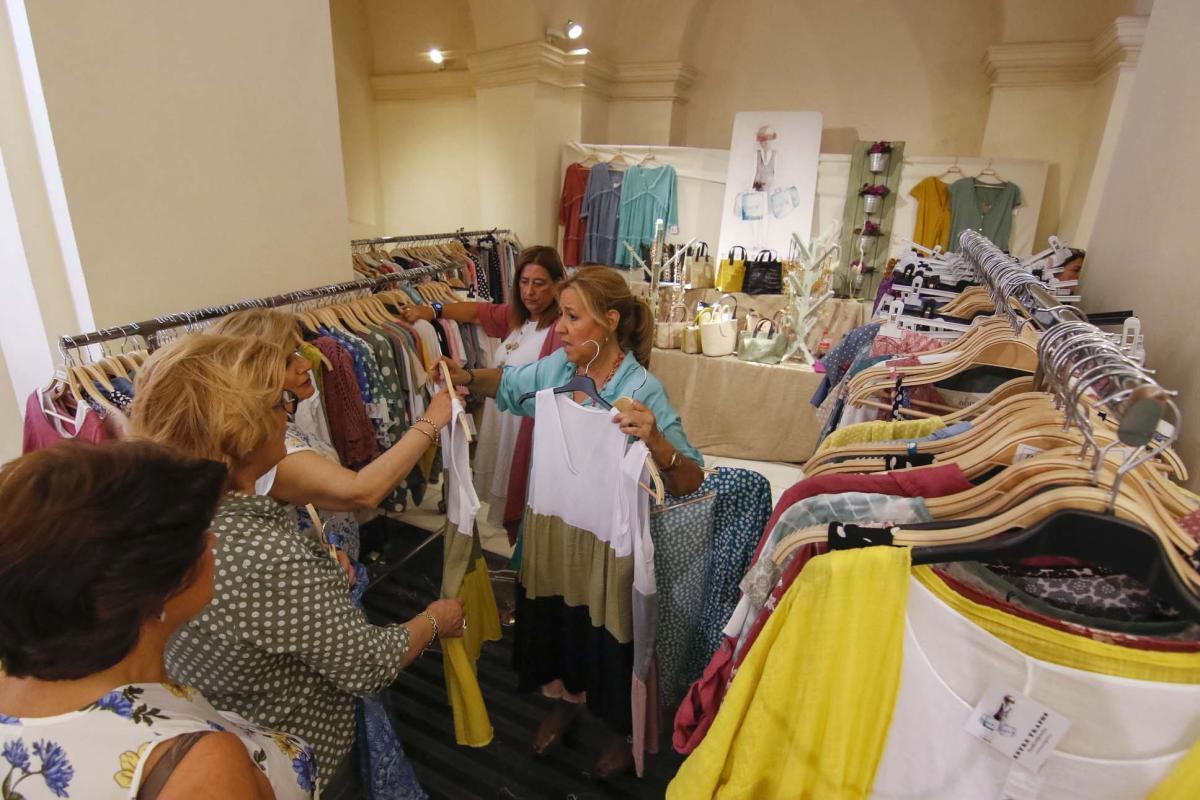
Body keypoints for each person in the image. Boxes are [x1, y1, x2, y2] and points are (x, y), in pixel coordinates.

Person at [128, 334, 465, 785]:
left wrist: (312, 579)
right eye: (276, 405)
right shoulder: (262, 555)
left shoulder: (158, 516)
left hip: (225, 719)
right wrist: (436, 619)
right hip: (299, 757)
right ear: (240, 433)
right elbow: (367, 665)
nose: (286, 414)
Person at [437, 265, 704, 776]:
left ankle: (619, 729)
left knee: (610, 636)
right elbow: (510, 383)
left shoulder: (641, 389)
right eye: (560, 314)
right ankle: (564, 701)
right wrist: (464, 376)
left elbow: (689, 479)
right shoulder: (561, 368)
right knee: (557, 625)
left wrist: (656, 441)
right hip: (554, 527)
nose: (559, 327)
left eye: (572, 317)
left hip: (608, 543)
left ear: (610, 321)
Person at [0, 440, 313, 799]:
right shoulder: (195, 769)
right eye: (200, 536)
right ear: (164, 586)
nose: (212, 541)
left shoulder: (24, 673)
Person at [209, 308, 455, 567]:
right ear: (251, 372)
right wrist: (431, 420)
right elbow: (362, 491)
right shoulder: (269, 448)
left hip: (329, 562)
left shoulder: (276, 423)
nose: (306, 364)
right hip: (308, 576)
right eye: (288, 361)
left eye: (299, 352)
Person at [402, 245, 567, 544]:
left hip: (525, 426)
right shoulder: (519, 318)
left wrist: (468, 376)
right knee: (506, 493)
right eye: (524, 282)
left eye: (539, 283)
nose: (529, 291)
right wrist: (434, 310)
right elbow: (478, 311)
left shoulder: (559, 329)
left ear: (557, 285)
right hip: (501, 421)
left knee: (526, 497)